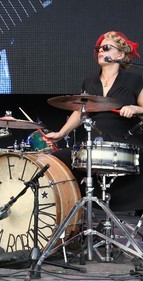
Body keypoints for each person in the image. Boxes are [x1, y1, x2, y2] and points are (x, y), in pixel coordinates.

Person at [46, 31, 143, 211]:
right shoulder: (89, 82)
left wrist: (135, 109)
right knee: (55, 161)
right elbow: (80, 112)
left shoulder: (134, 80)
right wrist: (61, 133)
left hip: (125, 142)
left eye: (106, 48)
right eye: (99, 48)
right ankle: (69, 213)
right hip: (94, 143)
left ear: (121, 55)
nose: (100, 51)